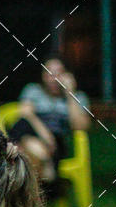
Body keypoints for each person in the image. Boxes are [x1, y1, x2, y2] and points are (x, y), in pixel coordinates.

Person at [10, 56, 91, 195]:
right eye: (48, 73)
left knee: (25, 151)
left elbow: (80, 126)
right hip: (33, 134)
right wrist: (45, 135)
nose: (52, 78)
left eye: (58, 73)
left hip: (57, 143)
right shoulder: (33, 90)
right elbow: (26, 115)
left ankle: (37, 191)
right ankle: (48, 173)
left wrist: (70, 94)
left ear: (67, 75)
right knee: (25, 131)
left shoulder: (79, 97)